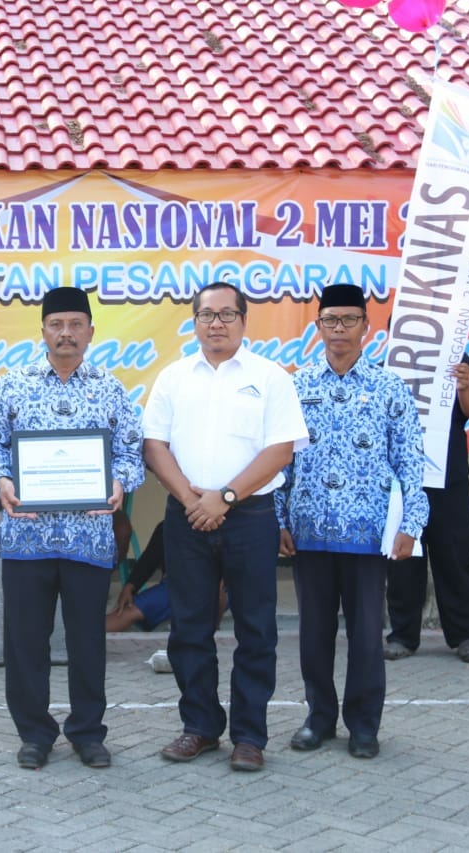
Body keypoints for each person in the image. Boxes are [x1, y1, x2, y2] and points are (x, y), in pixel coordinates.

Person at [0, 287, 144, 771]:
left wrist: (119, 483)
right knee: (26, 641)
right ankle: (34, 734)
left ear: (91, 331)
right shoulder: (14, 385)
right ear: (43, 331)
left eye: (75, 324)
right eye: (56, 325)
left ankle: (88, 732)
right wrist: (3, 479)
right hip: (26, 539)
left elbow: (132, 454)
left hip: (89, 539)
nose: (65, 333)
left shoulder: (109, 388)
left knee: (87, 640)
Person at [142, 281, 308, 773]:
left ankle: (250, 736)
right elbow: (155, 446)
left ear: (243, 320)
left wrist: (225, 497)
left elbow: (280, 450)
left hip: (250, 515)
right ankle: (200, 727)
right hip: (186, 513)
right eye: (206, 315)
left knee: (256, 628)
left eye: (226, 315)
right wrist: (194, 499)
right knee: (189, 626)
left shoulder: (271, 377)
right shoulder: (173, 378)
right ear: (193, 321)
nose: (216, 323)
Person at [276, 284, 428, 760]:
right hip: (310, 531)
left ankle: (364, 725)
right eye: (330, 320)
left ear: (366, 326)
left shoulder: (389, 388)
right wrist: (278, 519)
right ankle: (318, 718)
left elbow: (410, 462)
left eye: (348, 320)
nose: (338, 329)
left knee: (366, 635)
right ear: (317, 326)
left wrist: (413, 525)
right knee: (313, 633)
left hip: (369, 532)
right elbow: (282, 463)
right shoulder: (297, 386)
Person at [385, 355, 469, 664]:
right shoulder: (386, 366)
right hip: (401, 484)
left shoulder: (458, 360)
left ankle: (466, 636)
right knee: (402, 562)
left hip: (449, 481)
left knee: (455, 558)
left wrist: (466, 386)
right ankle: (402, 635)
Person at [106, 520, 228, 634]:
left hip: (212, 588)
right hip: (174, 586)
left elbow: (222, 588)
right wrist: (130, 587)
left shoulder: (224, 526)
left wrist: (215, 627)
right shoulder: (171, 524)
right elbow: (149, 560)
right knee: (126, 612)